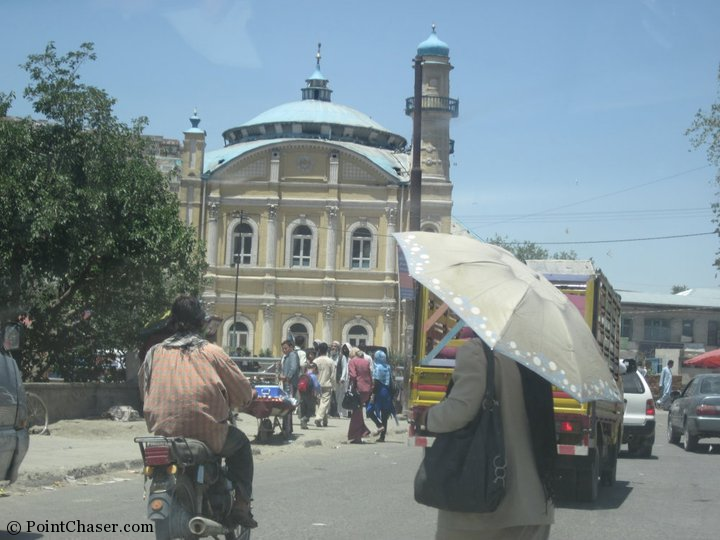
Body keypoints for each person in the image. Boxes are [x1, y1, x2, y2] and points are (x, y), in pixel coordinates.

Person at [415, 338, 555, 540]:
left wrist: (428, 417)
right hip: (534, 504)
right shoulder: (534, 357)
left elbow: (461, 409)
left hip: (483, 507)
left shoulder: (478, 352)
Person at [138, 295, 258, 529]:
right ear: (201, 323)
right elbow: (243, 394)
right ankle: (242, 505)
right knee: (241, 444)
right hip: (207, 434)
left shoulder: (154, 353)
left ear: (172, 322)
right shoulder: (212, 352)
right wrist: (242, 401)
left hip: (163, 435)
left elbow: (144, 391)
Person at [367, 350, 395, 442]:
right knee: (385, 415)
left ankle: (379, 425)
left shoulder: (377, 368)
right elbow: (391, 381)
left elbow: (376, 382)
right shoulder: (388, 367)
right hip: (387, 393)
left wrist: (373, 395)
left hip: (379, 392)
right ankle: (382, 437)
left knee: (369, 411)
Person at [347, 347, 373, 444]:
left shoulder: (352, 362)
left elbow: (353, 375)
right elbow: (370, 375)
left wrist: (352, 385)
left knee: (356, 413)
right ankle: (363, 431)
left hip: (358, 389)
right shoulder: (366, 362)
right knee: (358, 411)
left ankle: (356, 436)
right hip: (367, 389)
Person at [313, 342, 336, 427]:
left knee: (321, 403)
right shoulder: (330, 361)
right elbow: (333, 375)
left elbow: (313, 374)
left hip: (317, 384)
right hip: (327, 384)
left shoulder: (315, 361)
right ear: (327, 350)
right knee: (325, 403)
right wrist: (334, 386)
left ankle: (325, 421)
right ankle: (318, 418)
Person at [280, 339, 300, 435]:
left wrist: (287, 377)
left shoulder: (292, 355)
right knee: (287, 405)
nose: (284, 350)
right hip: (287, 383)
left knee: (288, 405)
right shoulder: (287, 356)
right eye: (283, 349)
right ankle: (287, 428)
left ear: (291, 347)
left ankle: (287, 429)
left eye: (286, 348)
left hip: (290, 383)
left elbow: (293, 368)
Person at [297, 365, 317, 430]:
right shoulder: (313, 376)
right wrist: (319, 393)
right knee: (310, 410)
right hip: (309, 395)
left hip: (302, 394)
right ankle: (304, 419)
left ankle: (303, 425)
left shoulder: (301, 376)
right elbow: (316, 386)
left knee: (303, 409)